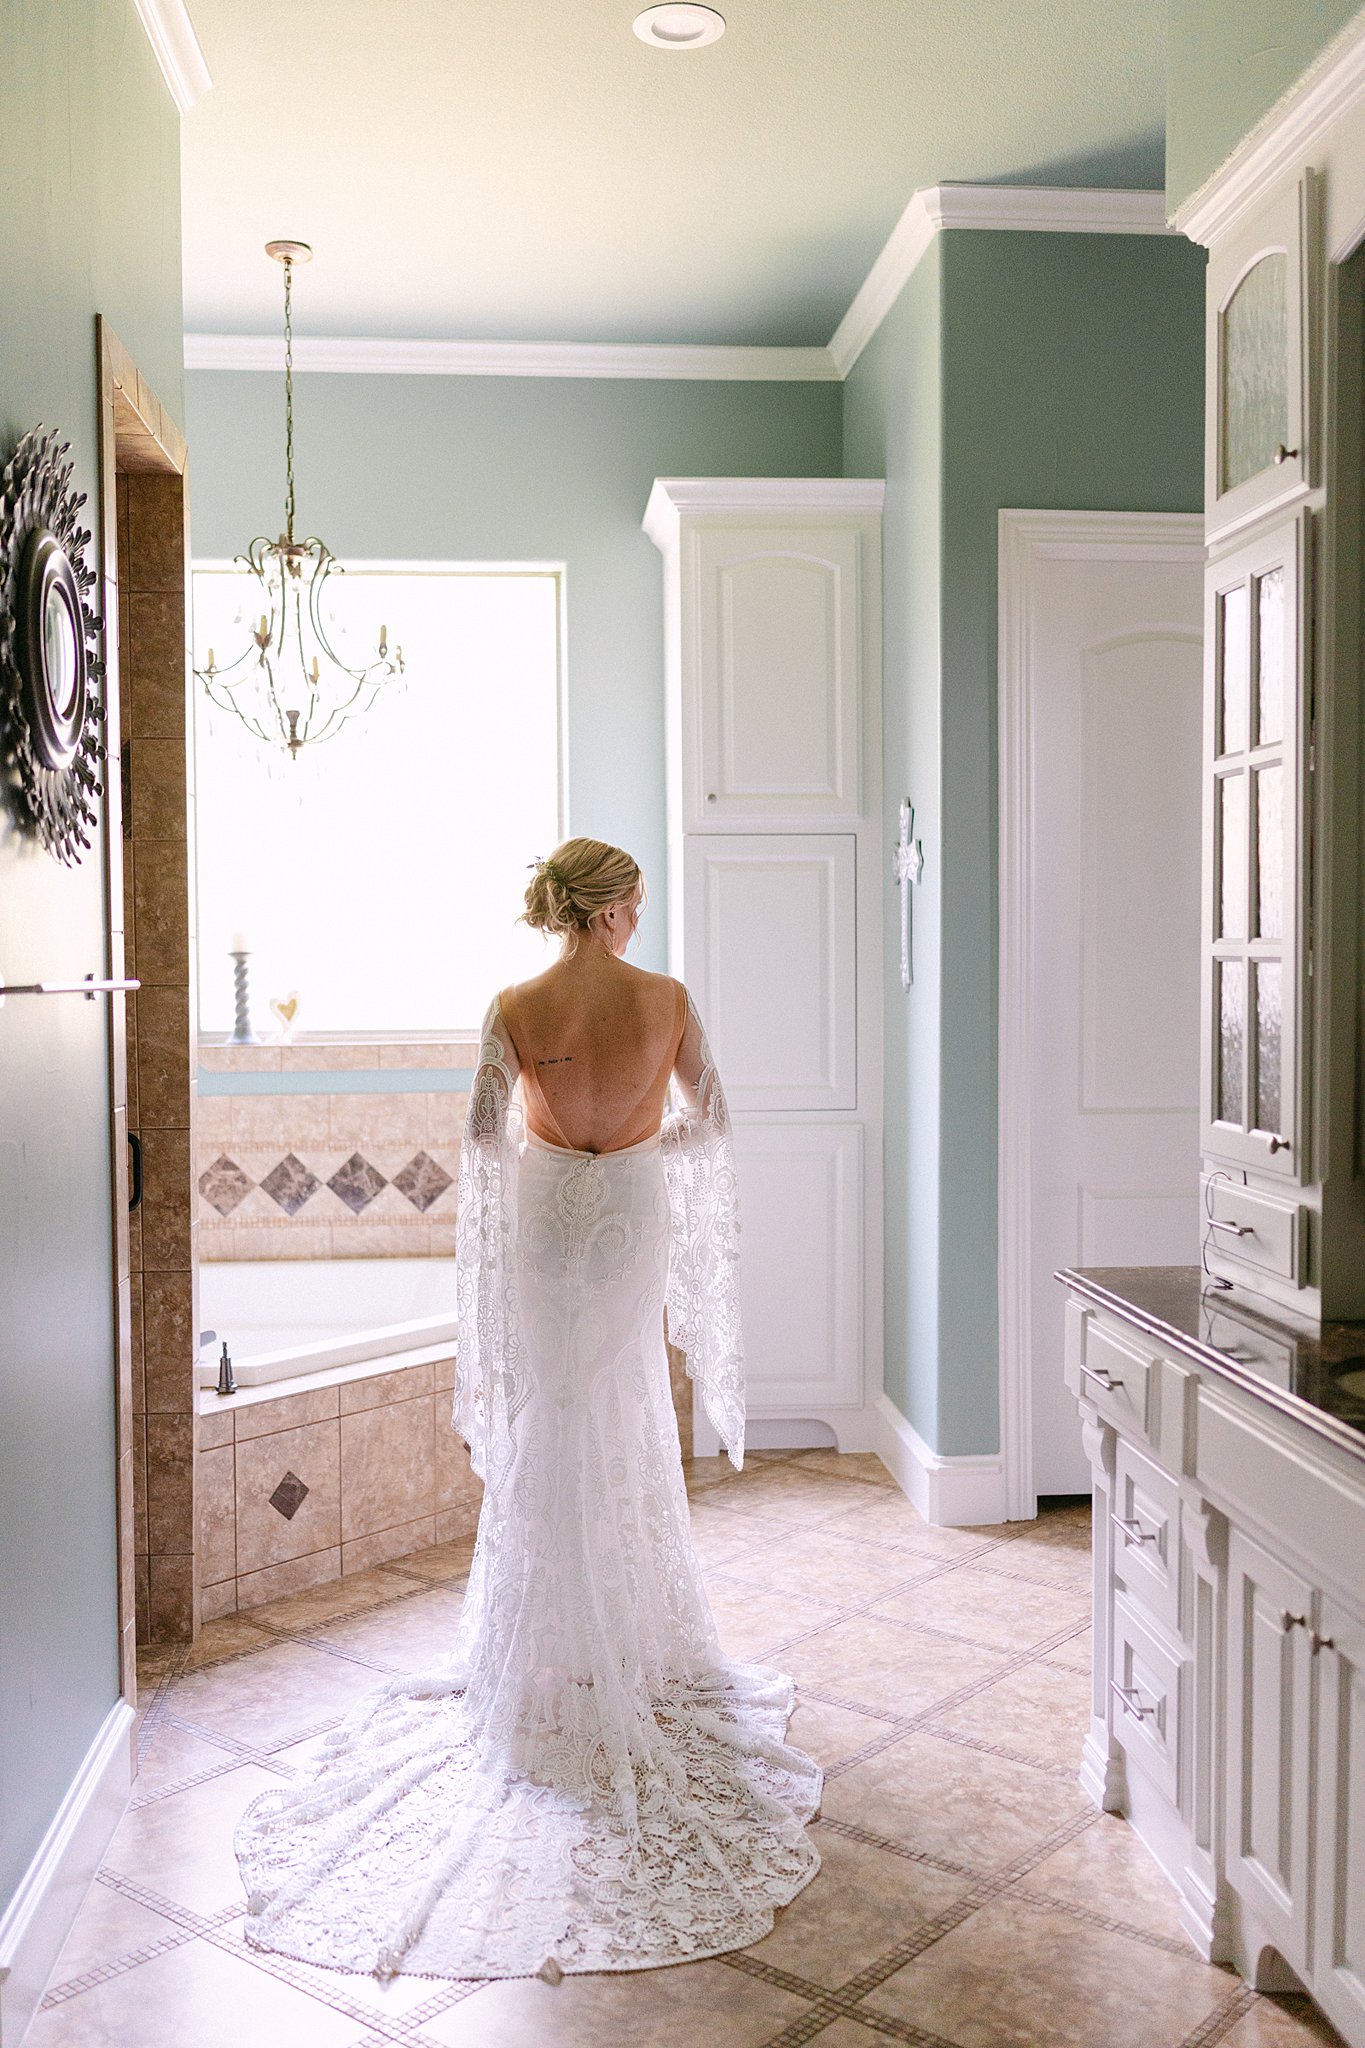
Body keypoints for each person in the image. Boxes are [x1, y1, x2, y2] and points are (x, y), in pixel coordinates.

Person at [235, 838, 821, 1981]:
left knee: (554, 1415)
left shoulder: (513, 1003)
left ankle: (543, 1659)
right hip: (632, 1215)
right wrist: (642, 1149)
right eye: (637, 899)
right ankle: (618, 1646)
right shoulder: (669, 1001)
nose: (643, 914)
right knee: (619, 1410)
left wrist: (561, 1151)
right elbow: (719, 1121)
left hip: (549, 1220)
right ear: (613, 908)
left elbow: (476, 1145)